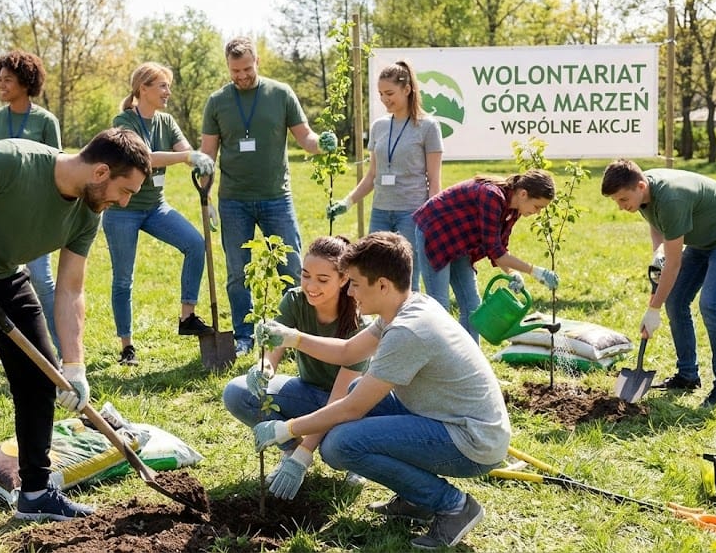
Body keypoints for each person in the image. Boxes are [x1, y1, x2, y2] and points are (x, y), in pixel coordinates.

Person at [0, 128, 150, 547]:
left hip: (5, 275)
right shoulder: (11, 161)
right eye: (124, 191)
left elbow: (71, 289)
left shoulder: (89, 213)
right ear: (101, 171)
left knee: (41, 377)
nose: (123, 202)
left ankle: (35, 492)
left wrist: (74, 366)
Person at [253, 232, 511, 549]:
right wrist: (293, 338)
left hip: (471, 441)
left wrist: (287, 429)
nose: (350, 291)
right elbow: (349, 352)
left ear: (383, 285)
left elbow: (351, 409)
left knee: (340, 445)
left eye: (356, 284)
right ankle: (417, 499)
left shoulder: (408, 331)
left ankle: (453, 506)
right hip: (445, 418)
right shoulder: (407, 306)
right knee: (358, 385)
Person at [200, 36, 338, 356]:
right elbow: (208, 153)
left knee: (291, 266)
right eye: (235, 70)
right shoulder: (217, 101)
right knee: (238, 272)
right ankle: (244, 335)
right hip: (233, 200)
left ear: (257, 62)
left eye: (247, 68)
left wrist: (322, 145)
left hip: (277, 196)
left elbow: (306, 138)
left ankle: (293, 333)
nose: (242, 75)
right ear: (228, 67)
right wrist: (206, 199)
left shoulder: (281, 94)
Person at [223, 236, 376, 496]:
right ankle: (289, 449)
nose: (311, 286)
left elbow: (340, 398)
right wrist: (264, 367)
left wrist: (304, 456)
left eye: (322, 279)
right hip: (307, 392)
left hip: (350, 408)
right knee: (237, 393)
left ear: (343, 280)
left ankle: (354, 458)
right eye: (306, 275)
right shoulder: (294, 301)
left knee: (335, 450)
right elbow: (274, 347)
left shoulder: (360, 324)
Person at [601, 159, 716, 407]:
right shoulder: (641, 193)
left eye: (622, 200)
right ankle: (687, 375)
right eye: (616, 201)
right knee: (675, 301)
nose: (620, 207)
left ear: (640, 186)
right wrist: (657, 253)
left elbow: (674, 265)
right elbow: (655, 223)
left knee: (711, 305)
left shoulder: (671, 199)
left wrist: (653, 310)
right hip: (702, 238)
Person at [105, 62, 216, 366]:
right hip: (123, 210)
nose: (168, 92)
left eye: (168, 86)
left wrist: (208, 190)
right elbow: (144, 157)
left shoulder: (167, 122)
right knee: (123, 279)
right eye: (162, 86)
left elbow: (191, 154)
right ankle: (127, 346)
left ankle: (187, 317)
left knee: (195, 244)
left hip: (155, 207)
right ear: (143, 89)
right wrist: (186, 156)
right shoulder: (123, 120)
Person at [327, 61, 443, 292]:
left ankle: (409, 323)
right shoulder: (379, 126)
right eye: (381, 94)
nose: (384, 99)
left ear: (407, 90)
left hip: (412, 212)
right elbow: (372, 176)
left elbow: (434, 179)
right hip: (380, 211)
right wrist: (346, 202)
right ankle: (383, 324)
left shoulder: (428, 127)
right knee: (375, 271)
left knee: (407, 276)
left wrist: (432, 217)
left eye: (389, 93)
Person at [0, 50, 64, 354]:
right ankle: (20, 349)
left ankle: (60, 349)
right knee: (4, 286)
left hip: (33, 217)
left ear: (26, 82)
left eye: (8, 80)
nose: (1, 85)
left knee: (41, 281)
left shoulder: (45, 121)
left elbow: (58, 167)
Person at [412, 169, 560, 341]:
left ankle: (468, 362)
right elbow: (494, 250)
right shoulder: (492, 196)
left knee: (472, 306)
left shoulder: (513, 210)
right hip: (436, 234)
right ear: (523, 193)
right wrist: (535, 271)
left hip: (461, 242)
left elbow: (500, 246)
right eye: (538, 206)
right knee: (440, 305)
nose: (538, 212)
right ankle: (436, 361)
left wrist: (512, 273)